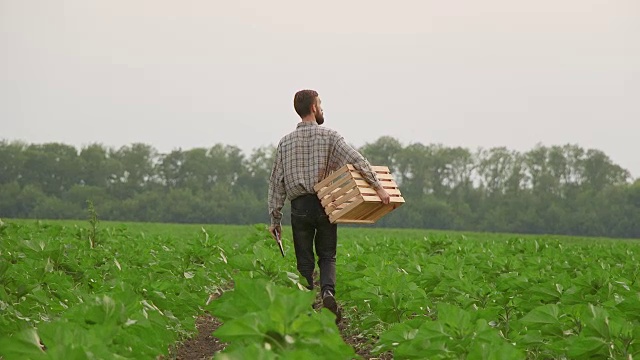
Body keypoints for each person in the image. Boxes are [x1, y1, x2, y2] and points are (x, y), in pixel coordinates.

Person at [267, 89, 390, 320]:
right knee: (327, 255)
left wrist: (275, 220)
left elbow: (276, 182)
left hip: (299, 208)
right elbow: (357, 160)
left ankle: (305, 305)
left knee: (304, 259)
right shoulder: (331, 137)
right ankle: (328, 293)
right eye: (320, 103)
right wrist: (378, 187)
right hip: (325, 204)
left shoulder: (284, 143)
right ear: (313, 107)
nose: (322, 108)